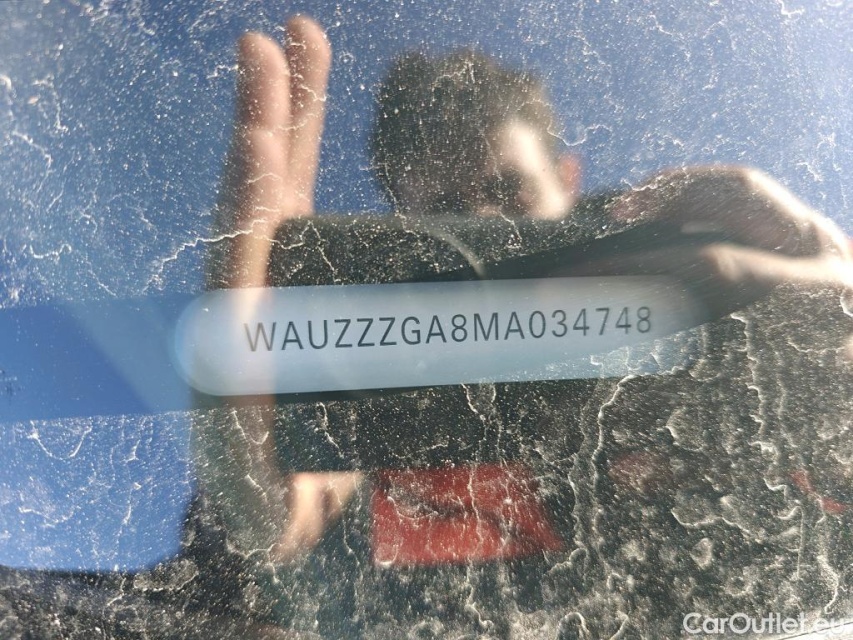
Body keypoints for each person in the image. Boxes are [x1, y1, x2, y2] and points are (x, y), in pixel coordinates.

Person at [196, 13, 853, 637]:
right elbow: (273, 539)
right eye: (447, 212)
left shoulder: (701, 304)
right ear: (402, 230)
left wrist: (836, 375)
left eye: (508, 190)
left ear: (568, 180)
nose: (485, 221)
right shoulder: (370, 406)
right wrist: (263, 526)